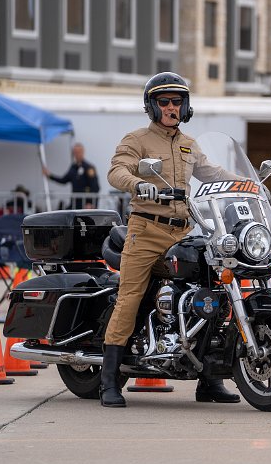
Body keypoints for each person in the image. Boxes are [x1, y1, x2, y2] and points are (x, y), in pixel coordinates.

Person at [102, 71, 241, 408]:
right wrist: (137, 183)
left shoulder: (189, 144)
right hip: (146, 231)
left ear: (185, 105)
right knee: (130, 298)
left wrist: (247, 184)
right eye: (163, 101)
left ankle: (209, 379)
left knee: (213, 290)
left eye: (176, 101)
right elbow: (117, 170)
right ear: (152, 106)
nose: (170, 107)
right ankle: (108, 382)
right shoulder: (137, 139)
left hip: (184, 232)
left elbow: (212, 172)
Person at [44, 142, 100, 209]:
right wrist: (50, 175)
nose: (77, 154)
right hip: (75, 203)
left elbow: (95, 187)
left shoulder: (89, 168)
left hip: (86, 204)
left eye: (79, 152)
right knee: (65, 213)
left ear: (83, 152)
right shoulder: (73, 167)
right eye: (75, 152)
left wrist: (90, 203)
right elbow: (63, 180)